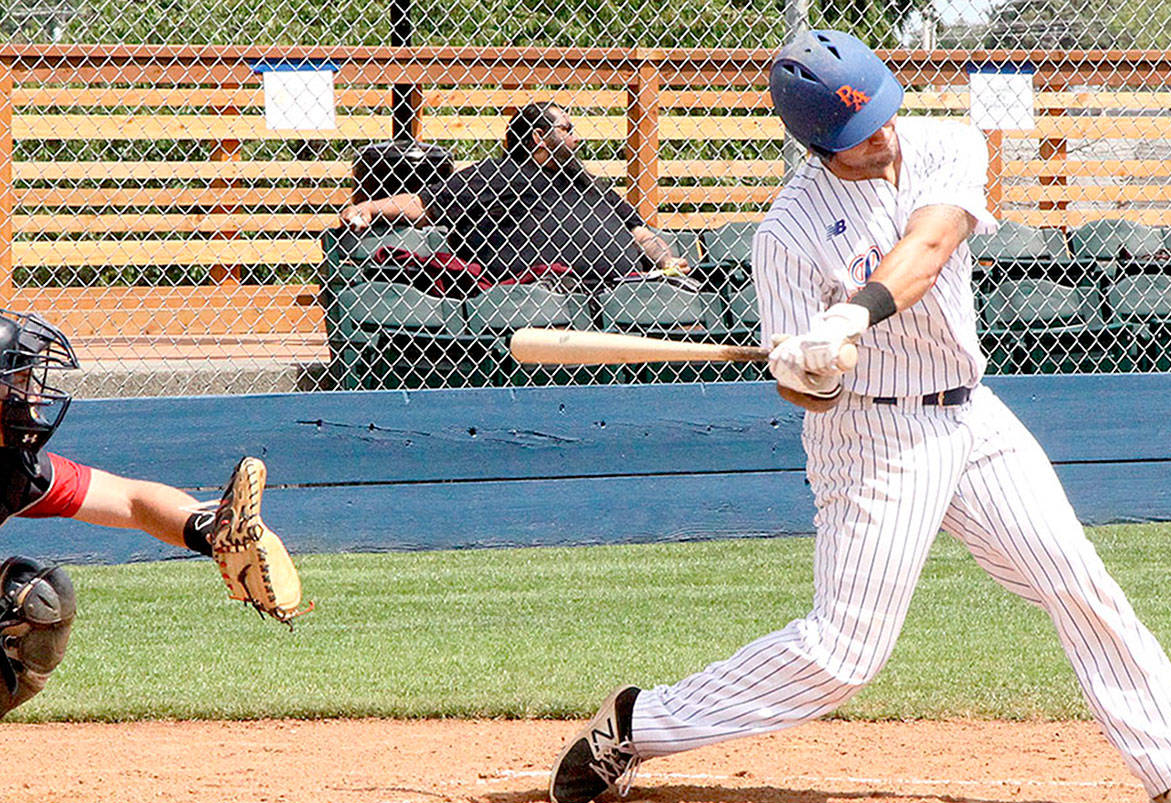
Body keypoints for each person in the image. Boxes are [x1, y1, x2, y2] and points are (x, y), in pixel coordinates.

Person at [548, 29, 1171, 803]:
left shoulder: (944, 144)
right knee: (843, 654)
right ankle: (638, 725)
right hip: (870, 441)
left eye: (882, 115)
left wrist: (850, 312)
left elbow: (930, 243)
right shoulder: (785, 234)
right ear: (817, 145)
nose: (880, 137)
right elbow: (805, 399)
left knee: (1077, 579)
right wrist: (806, 369)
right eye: (857, 135)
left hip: (971, 417)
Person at [0, 309, 306, 718]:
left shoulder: (14, 470)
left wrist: (209, 531)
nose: (34, 397)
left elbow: (132, 501)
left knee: (39, 598)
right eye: (18, 382)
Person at [339, 101, 688, 285]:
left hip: (625, 288)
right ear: (539, 137)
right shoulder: (501, 175)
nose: (576, 138)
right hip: (544, 291)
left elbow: (639, 232)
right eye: (567, 129)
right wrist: (369, 207)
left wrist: (666, 260)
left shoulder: (588, 185)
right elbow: (423, 203)